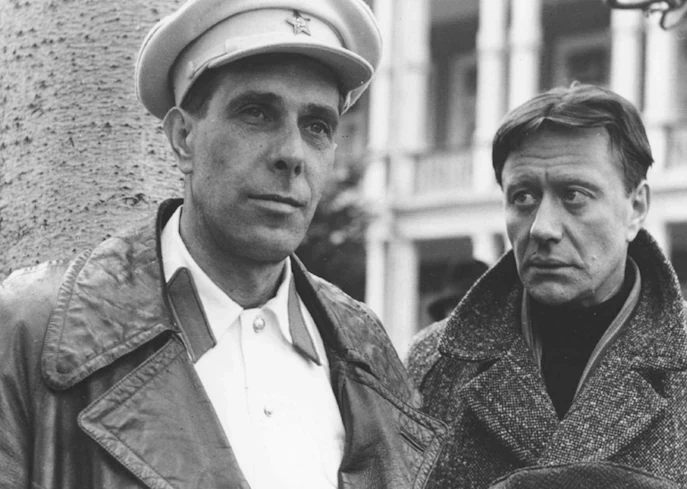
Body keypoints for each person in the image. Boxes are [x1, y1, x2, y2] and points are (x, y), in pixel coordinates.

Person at [0, 0, 444, 487]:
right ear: (182, 138)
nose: (292, 154)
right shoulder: (32, 331)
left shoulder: (367, 351)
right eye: (256, 113)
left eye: (317, 126)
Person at [406, 83, 687, 488]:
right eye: (523, 197)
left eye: (574, 195)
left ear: (636, 207)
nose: (542, 227)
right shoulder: (433, 366)